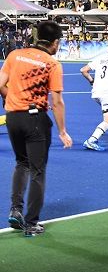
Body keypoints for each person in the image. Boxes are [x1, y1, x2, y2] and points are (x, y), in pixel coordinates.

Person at [0, 21, 72, 237]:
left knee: (21, 163)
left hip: (13, 117)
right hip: (35, 119)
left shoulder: (15, 55)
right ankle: (31, 222)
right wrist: (62, 131)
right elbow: (57, 102)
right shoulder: (52, 64)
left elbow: (1, 84)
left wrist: (13, 99)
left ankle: (16, 210)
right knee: (38, 171)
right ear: (55, 42)